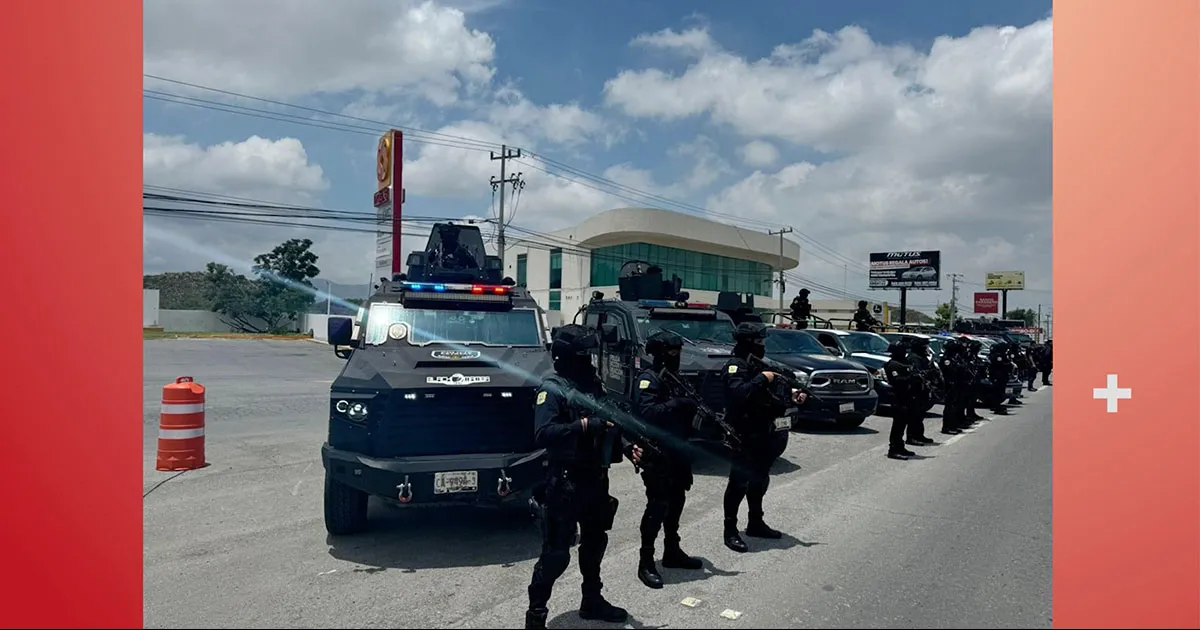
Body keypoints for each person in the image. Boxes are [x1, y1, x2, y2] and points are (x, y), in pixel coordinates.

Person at [525, 325, 630, 629]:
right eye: (583, 355)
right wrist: (582, 426)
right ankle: (536, 616)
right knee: (556, 555)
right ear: (567, 356)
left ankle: (592, 600)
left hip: (595, 479)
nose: (588, 361)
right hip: (565, 483)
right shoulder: (552, 389)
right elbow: (543, 433)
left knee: (595, 543)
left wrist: (628, 445)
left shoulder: (592, 385)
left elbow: (609, 420)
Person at [720, 322, 807, 552]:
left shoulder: (757, 364)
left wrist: (792, 394)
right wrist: (763, 378)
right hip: (742, 433)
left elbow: (771, 391)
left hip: (764, 431)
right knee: (739, 483)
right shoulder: (735, 366)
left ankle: (756, 522)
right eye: (758, 342)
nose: (762, 346)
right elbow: (739, 394)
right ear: (747, 343)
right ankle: (730, 530)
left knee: (760, 479)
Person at [631, 330, 704, 589]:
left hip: (679, 451)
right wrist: (678, 404)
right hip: (657, 453)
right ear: (661, 354)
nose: (677, 356)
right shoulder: (648, 379)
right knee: (657, 506)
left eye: (679, 352)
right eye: (672, 352)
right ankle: (646, 561)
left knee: (677, 501)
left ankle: (672, 551)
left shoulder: (675, 378)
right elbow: (647, 413)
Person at [938, 338, 970, 434]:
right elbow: (949, 371)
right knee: (949, 407)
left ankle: (953, 425)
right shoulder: (946, 359)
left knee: (955, 406)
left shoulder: (955, 358)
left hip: (956, 385)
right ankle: (946, 427)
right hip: (949, 385)